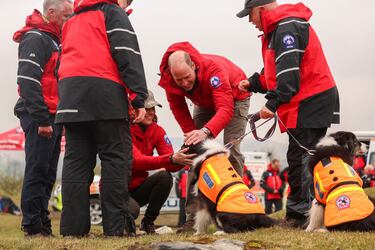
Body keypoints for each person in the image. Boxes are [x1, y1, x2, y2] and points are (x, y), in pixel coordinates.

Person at [237, 0, 340, 227]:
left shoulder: (286, 28)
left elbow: (289, 75)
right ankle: (309, 211)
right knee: (302, 156)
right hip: (307, 99)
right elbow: (276, 72)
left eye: (250, 15)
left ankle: (300, 215)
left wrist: (271, 105)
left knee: (301, 158)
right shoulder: (281, 28)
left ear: (260, 10)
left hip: (311, 99)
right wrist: (253, 83)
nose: (250, 21)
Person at [56, 0, 148, 237]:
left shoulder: (71, 21)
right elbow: (127, 53)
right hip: (104, 93)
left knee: (76, 163)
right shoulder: (112, 13)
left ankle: (73, 231)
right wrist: (139, 97)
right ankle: (115, 229)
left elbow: (60, 62)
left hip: (70, 95)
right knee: (115, 160)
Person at [158, 41, 251, 232]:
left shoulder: (214, 71)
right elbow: (178, 108)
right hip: (203, 101)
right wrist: (194, 138)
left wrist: (205, 132)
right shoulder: (170, 79)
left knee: (230, 151)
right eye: (179, 80)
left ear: (193, 65)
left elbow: (225, 109)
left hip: (234, 97)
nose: (184, 84)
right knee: (195, 155)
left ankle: (236, 212)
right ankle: (192, 218)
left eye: (187, 77)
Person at [12, 0, 73, 236]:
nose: (69, 21)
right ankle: (32, 226)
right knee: (37, 170)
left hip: (53, 116)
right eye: (66, 16)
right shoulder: (35, 38)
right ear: (51, 12)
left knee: (48, 172)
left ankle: (42, 223)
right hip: (39, 115)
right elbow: (28, 82)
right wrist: (42, 119)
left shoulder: (54, 40)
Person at [129, 90, 195, 234]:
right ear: (134, 110)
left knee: (165, 176)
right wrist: (171, 158)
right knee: (131, 211)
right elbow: (137, 161)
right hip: (117, 189)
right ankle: (123, 220)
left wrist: (183, 157)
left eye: (152, 108)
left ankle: (148, 222)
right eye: (146, 108)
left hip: (138, 188)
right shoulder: (123, 131)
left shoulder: (157, 130)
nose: (150, 112)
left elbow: (170, 165)